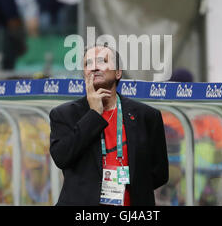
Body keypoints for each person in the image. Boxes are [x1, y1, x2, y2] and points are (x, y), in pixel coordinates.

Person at [49, 44, 169, 206]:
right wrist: (93, 115)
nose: (94, 68)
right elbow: (62, 157)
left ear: (118, 72)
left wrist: (133, 188)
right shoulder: (64, 114)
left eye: (102, 61)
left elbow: (159, 172)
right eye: (88, 64)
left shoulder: (146, 115)